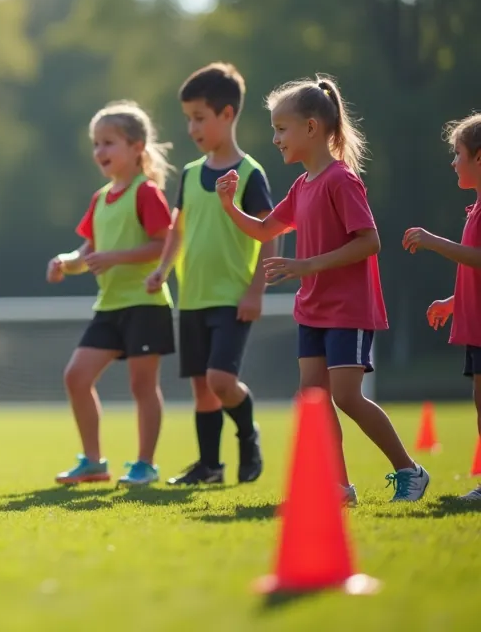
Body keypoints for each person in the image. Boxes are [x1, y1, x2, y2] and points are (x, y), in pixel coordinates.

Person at [216, 75, 429, 505]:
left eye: (281, 128)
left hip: (347, 309)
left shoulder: (340, 180)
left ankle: (410, 471)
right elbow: (262, 230)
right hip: (312, 308)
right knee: (313, 398)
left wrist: (306, 265)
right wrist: (227, 206)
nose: (275, 138)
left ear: (311, 128)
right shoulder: (302, 185)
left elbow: (370, 242)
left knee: (347, 396)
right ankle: (339, 489)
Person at [145, 63, 270, 486]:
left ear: (227, 114)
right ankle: (210, 467)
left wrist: (257, 289)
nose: (191, 127)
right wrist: (162, 269)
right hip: (192, 297)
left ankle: (247, 430)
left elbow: (272, 233)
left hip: (233, 296)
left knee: (220, 380)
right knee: (202, 388)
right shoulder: (193, 174)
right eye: (188, 119)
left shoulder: (250, 174)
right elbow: (177, 229)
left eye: (199, 118)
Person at [50, 100, 175, 487]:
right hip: (109, 307)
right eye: (96, 144)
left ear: (137, 147)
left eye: (109, 142)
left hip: (145, 304)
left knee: (142, 386)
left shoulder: (146, 192)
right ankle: (93, 462)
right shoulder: (100, 198)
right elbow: (88, 252)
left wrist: (115, 257)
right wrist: (65, 262)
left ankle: (145, 464)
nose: (100, 151)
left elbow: (163, 244)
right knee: (76, 376)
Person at [402, 112, 481, 501]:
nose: (453, 162)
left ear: (479, 158)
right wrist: (454, 302)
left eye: (458, 153)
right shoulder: (475, 209)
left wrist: (433, 240)